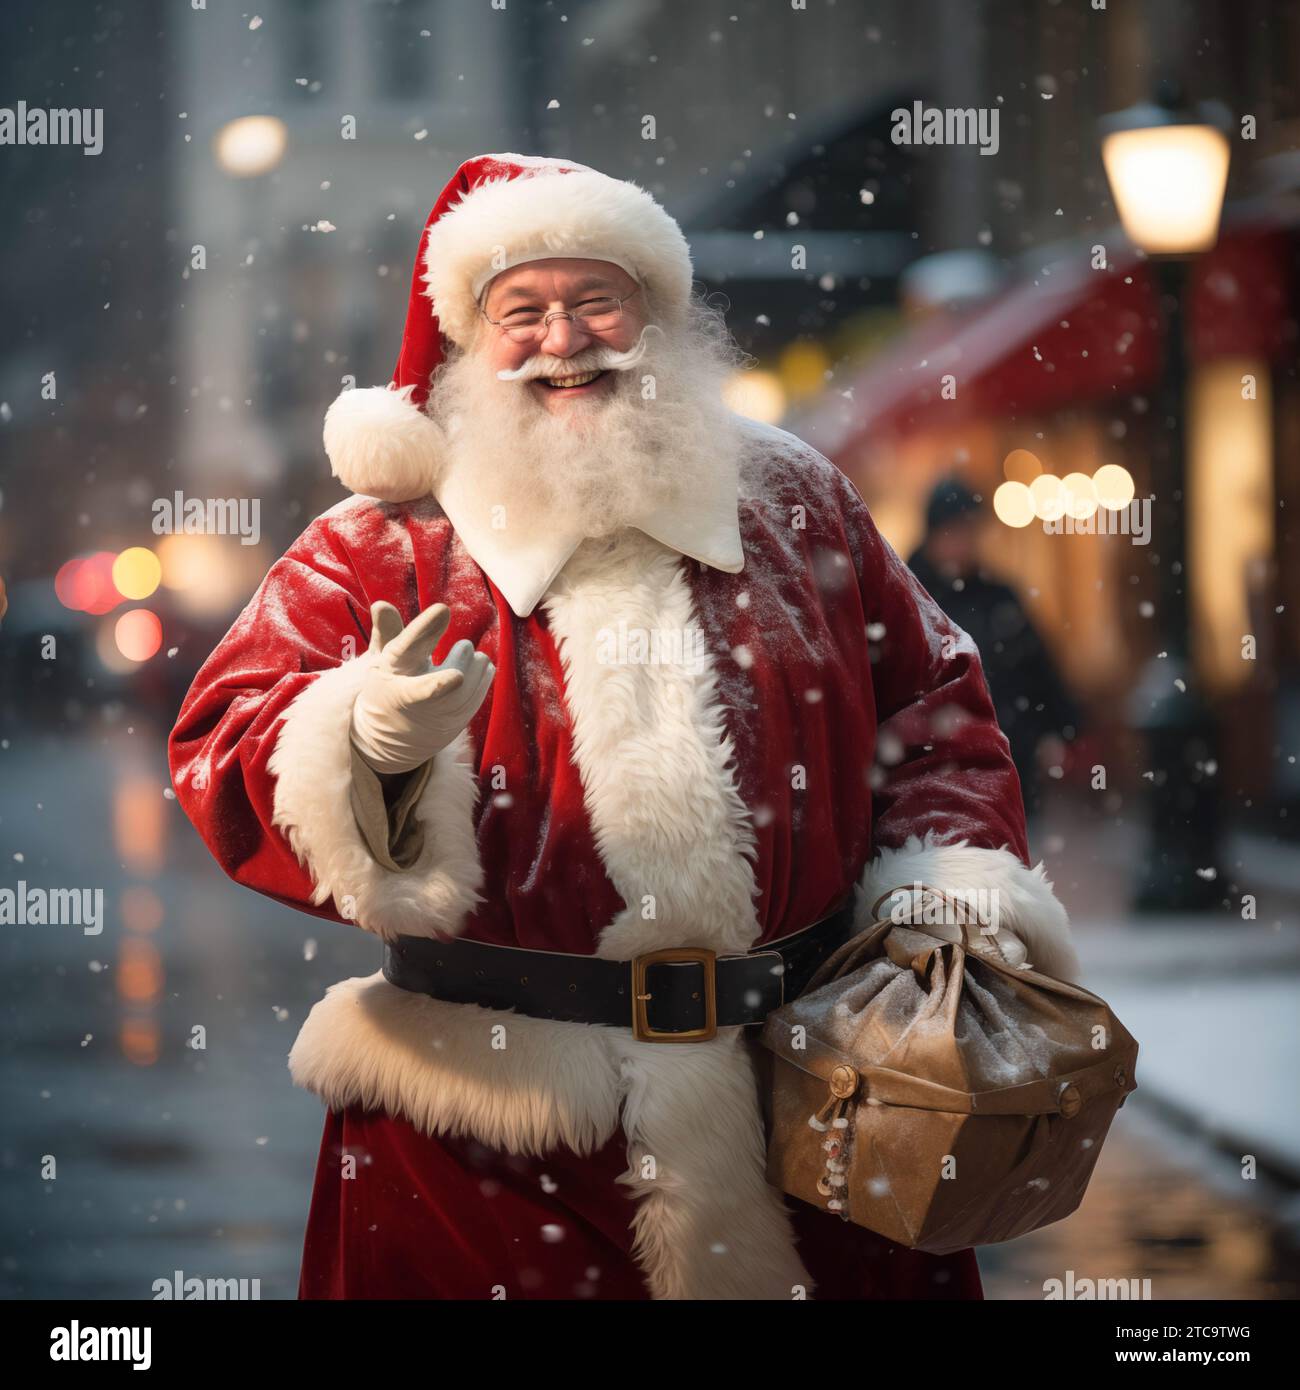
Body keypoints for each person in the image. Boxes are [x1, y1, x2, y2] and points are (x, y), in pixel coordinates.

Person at [168, 154, 1079, 1301]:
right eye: (522, 310)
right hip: (488, 1140)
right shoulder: (376, 541)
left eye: (598, 299)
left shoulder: (795, 499)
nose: (566, 338)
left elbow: (933, 709)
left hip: (821, 1099)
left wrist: (939, 910)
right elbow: (223, 742)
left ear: (658, 313)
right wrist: (363, 751)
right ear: (469, 339)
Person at [908, 479, 1081, 818]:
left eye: (971, 530)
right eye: (956, 530)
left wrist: (1060, 728)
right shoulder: (910, 596)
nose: (965, 542)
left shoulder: (1000, 597)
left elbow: (1037, 666)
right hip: (937, 770)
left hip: (1008, 762)